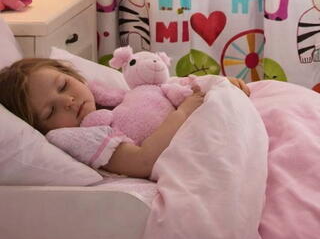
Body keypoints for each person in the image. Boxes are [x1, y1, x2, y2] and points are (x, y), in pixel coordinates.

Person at [0, 56, 249, 179]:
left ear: (73, 76)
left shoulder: (109, 98)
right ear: (42, 128)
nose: (67, 101)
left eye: (64, 86)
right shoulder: (82, 138)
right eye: (51, 111)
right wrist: (184, 111)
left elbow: (167, 91)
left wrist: (217, 85)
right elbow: (143, 161)